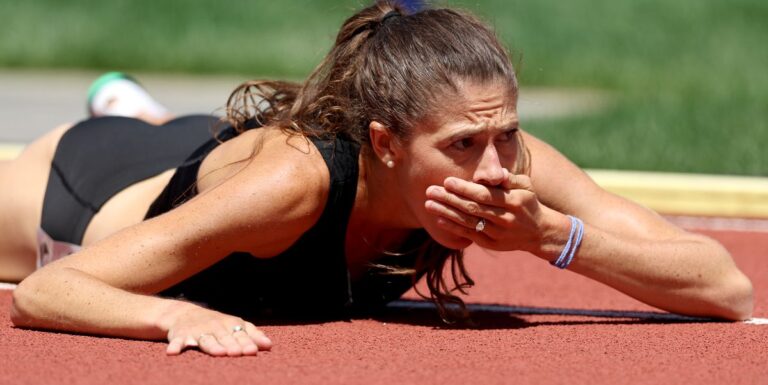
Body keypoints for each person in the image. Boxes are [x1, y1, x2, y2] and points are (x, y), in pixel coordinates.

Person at [3, 1, 753, 357]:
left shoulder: (501, 156)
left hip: (216, 164)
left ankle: (145, 109)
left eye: (506, 135)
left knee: (201, 150)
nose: (493, 169)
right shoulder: (293, 187)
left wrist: (558, 236)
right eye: (462, 145)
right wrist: (173, 316)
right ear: (386, 143)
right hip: (80, 189)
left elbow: (724, 288)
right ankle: (128, 114)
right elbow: (46, 292)